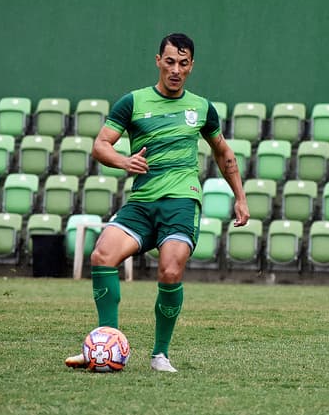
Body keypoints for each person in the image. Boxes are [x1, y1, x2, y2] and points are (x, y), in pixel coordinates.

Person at [65, 33, 250, 372]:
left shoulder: (202, 107)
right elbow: (101, 145)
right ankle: (106, 343)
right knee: (102, 255)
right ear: (158, 61)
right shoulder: (132, 102)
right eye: (169, 62)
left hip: (181, 201)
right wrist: (125, 161)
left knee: (169, 270)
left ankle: (159, 355)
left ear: (191, 66)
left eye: (183, 63)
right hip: (142, 202)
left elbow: (223, 152)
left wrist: (240, 197)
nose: (175, 69)